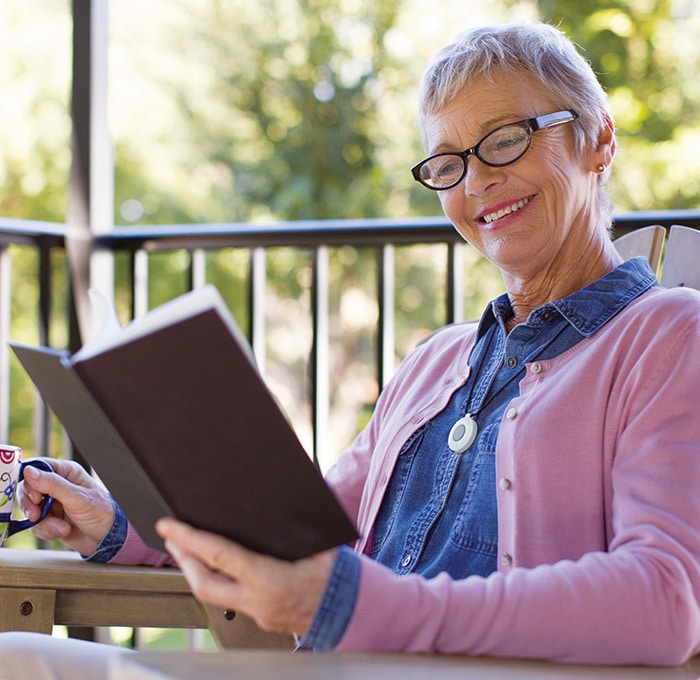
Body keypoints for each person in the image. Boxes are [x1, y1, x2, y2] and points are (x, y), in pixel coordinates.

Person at [4, 20, 700, 675]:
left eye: (506, 138)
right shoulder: (438, 362)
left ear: (598, 139)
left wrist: (360, 604)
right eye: (448, 162)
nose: (477, 180)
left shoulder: (667, 336)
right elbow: (297, 534)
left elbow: (664, 600)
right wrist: (118, 526)